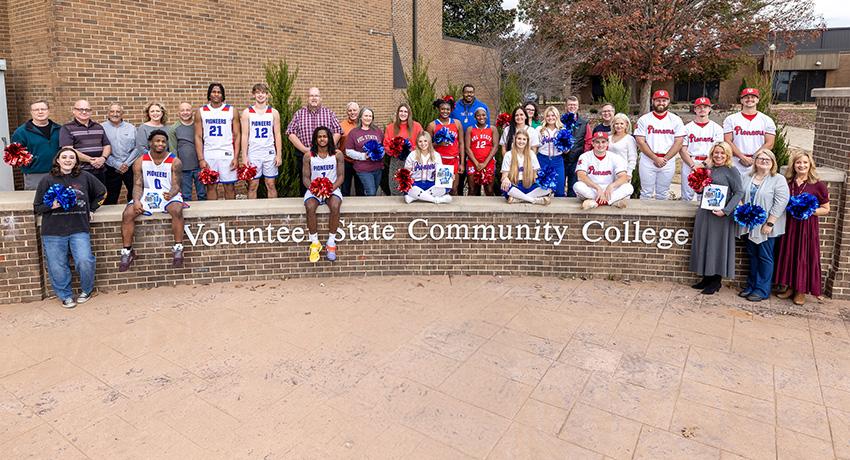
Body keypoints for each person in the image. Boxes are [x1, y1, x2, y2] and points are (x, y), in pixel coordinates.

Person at [33, 147, 106, 308]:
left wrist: (92, 208)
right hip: (53, 230)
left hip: (79, 228)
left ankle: (86, 290)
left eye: (71, 158)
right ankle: (65, 296)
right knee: (57, 265)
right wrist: (51, 205)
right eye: (64, 157)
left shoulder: (85, 177)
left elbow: (102, 193)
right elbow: (37, 206)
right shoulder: (47, 180)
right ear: (57, 160)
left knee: (84, 261)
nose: (68, 160)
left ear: (76, 161)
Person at [119, 130, 186, 271]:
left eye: (163, 141)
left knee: (177, 210)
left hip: (167, 194)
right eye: (157, 141)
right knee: (127, 213)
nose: (160, 143)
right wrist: (136, 200)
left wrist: (171, 193)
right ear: (150, 143)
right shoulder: (140, 161)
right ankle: (127, 251)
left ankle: (178, 248)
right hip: (148, 194)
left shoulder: (175, 161)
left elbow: (176, 185)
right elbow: (137, 184)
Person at [774, 151, 830, 306]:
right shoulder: (788, 182)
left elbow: (826, 209)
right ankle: (790, 288)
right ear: (794, 165)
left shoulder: (818, 185)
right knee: (790, 254)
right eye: (798, 163)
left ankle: (801, 291)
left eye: (805, 162)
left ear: (810, 164)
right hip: (790, 224)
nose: (802, 165)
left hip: (807, 227)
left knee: (803, 256)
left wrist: (808, 210)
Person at [689, 142, 745, 295]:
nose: (719, 156)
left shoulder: (731, 170)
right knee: (704, 243)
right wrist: (699, 188)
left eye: (722, 153)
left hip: (720, 215)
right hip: (705, 212)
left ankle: (715, 282)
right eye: (716, 153)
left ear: (727, 155)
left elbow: (739, 192)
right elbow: (702, 189)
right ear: (711, 154)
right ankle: (706, 278)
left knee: (717, 246)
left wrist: (726, 211)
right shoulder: (708, 169)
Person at [737, 149, 789, 302]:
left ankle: (762, 289)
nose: (763, 161)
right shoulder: (746, 176)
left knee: (764, 256)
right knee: (752, 256)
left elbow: (781, 203)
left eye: (767, 159)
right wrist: (742, 211)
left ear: (773, 162)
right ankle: (751, 285)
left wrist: (770, 223)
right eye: (760, 158)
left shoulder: (778, 179)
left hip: (766, 226)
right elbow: (739, 194)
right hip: (749, 224)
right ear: (755, 161)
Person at [287, 87, 343, 194]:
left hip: (326, 157)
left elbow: (338, 131)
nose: (314, 98)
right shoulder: (299, 114)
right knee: (305, 183)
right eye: (311, 96)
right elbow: (290, 133)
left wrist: (329, 147)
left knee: (328, 180)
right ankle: (308, 201)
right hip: (305, 155)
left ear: (320, 98)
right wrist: (304, 149)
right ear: (307, 98)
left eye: (316, 96)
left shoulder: (329, 113)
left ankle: (328, 198)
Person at [303, 126, 345, 262]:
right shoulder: (308, 155)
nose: (322, 139)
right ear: (315, 139)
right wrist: (314, 189)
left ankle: (331, 243)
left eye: (325, 136)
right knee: (309, 207)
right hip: (314, 189)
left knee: (335, 205)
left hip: (332, 188)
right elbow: (305, 178)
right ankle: (315, 243)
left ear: (329, 138)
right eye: (319, 136)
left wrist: (330, 189)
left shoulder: (337, 154)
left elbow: (341, 176)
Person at [634, 90, 685, 200]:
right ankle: (644, 217)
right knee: (646, 193)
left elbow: (679, 142)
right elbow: (640, 141)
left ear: (668, 101)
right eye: (658, 100)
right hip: (648, 160)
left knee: (663, 193)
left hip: (668, 160)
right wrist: (655, 158)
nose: (661, 103)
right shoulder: (644, 119)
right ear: (653, 101)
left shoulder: (675, 120)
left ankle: (661, 217)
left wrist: (665, 159)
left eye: (664, 100)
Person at [195, 83, 240, 200]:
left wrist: (236, 157)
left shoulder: (231, 110)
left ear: (222, 95)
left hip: (227, 153)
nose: (216, 94)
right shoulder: (201, 111)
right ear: (209, 94)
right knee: (211, 186)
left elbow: (237, 135)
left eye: (219, 92)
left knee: (229, 186)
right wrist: (201, 158)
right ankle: (213, 216)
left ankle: (231, 216)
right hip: (209, 153)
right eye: (213, 92)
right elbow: (198, 136)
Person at [241, 83, 282, 199]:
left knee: (271, 184)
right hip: (254, 153)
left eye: (263, 92)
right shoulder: (247, 113)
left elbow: (277, 134)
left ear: (267, 95)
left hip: (269, 153)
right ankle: (251, 213)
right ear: (254, 95)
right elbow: (244, 135)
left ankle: (273, 213)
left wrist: (279, 155)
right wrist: (244, 156)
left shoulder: (274, 112)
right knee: (253, 185)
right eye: (258, 92)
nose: (260, 95)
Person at [724, 88, 776, 176]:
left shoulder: (767, 120)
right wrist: (742, 157)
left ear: (758, 100)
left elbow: (770, 143)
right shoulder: (731, 119)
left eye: (753, 97)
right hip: (736, 161)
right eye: (746, 97)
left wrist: (754, 157)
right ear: (741, 100)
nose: (750, 99)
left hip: (758, 161)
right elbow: (727, 141)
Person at [574, 132, 633, 209]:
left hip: (609, 191)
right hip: (592, 189)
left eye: (603, 142)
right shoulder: (585, 156)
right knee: (577, 186)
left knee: (628, 187)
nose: (600, 145)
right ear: (592, 143)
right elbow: (581, 176)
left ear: (608, 143)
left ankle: (595, 202)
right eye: (597, 142)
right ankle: (612, 202)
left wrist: (611, 186)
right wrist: (597, 187)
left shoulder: (615, 157)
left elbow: (623, 177)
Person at [59, 100, 112, 185]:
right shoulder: (66, 128)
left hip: (100, 171)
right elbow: (68, 149)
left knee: (100, 196)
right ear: (74, 111)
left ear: (91, 112)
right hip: (79, 172)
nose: (84, 112)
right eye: (80, 109)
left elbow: (107, 145)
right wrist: (91, 160)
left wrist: (103, 158)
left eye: (87, 110)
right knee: (82, 197)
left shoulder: (98, 127)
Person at [680, 97, 724, 201]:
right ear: (694, 109)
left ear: (709, 109)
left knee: (708, 196)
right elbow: (682, 149)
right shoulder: (687, 128)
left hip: (710, 162)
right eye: (699, 107)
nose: (702, 109)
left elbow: (717, 150)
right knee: (687, 195)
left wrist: (703, 165)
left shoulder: (717, 128)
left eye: (705, 107)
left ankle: (703, 217)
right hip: (690, 162)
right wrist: (692, 165)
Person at [12, 100, 62, 190]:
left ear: (48, 111)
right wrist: (32, 160)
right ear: (31, 112)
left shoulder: (59, 129)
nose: (40, 112)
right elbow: (14, 155)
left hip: (59, 173)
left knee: (61, 201)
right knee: (37, 202)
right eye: (36, 110)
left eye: (43, 109)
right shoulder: (21, 132)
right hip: (34, 175)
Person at [452, 85, 490, 195]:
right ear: (462, 93)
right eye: (467, 92)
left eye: (471, 92)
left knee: (474, 181)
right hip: (459, 145)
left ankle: (475, 202)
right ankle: (458, 198)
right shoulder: (455, 106)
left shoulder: (482, 106)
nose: (469, 94)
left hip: (475, 147)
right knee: (460, 175)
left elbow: (486, 126)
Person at [500, 129, 551, 205]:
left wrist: (543, 180)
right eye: (519, 138)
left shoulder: (531, 154)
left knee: (549, 188)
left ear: (527, 141)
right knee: (505, 188)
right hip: (515, 185)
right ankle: (534, 200)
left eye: (524, 139)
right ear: (515, 140)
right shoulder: (508, 155)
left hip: (529, 184)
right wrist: (505, 179)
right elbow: (504, 176)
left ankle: (519, 199)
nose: (521, 141)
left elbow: (536, 173)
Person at [168, 102, 206, 201]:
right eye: (182, 110)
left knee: (202, 194)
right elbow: (173, 149)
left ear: (192, 112)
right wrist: (177, 168)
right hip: (184, 168)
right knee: (186, 195)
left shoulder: (198, 126)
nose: (185, 112)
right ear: (178, 113)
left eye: (188, 110)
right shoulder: (173, 128)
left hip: (199, 166)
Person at [427, 98, 465, 195]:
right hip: (440, 161)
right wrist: (438, 144)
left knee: (453, 189)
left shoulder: (457, 123)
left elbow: (461, 143)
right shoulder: (432, 125)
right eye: (443, 109)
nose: (445, 111)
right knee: (441, 189)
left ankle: (454, 210)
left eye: (447, 109)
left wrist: (462, 163)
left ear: (451, 110)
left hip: (454, 160)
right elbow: (426, 145)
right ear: (439, 110)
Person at [383, 103, 422, 196]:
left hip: (412, 161)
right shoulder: (390, 127)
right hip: (396, 161)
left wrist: (410, 150)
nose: (403, 113)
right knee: (395, 186)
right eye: (401, 111)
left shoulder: (416, 126)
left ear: (409, 113)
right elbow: (386, 144)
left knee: (412, 187)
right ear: (397, 113)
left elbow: (422, 142)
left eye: (405, 111)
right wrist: (395, 151)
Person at [102, 104, 137, 205]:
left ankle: (133, 214)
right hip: (110, 167)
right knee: (110, 196)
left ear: (122, 114)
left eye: (118, 112)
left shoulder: (131, 128)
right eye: (112, 111)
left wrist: (126, 163)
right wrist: (117, 164)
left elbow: (137, 148)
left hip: (129, 167)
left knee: (133, 193)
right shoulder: (101, 128)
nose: (115, 114)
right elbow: (101, 148)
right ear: (108, 113)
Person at [343, 107, 384, 196]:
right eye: (366, 115)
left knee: (374, 191)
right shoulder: (354, 132)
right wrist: (363, 156)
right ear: (361, 117)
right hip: (363, 169)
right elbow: (348, 151)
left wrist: (381, 153)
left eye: (370, 116)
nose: (368, 118)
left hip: (377, 168)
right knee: (371, 192)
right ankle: (371, 209)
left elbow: (383, 146)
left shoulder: (377, 131)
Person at [404, 131, 452, 204]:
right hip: (416, 184)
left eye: (425, 141)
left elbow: (441, 174)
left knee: (445, 187)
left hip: (430, 184)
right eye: (420, 141)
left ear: (429, 141)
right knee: (409, 187)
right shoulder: (412, 155)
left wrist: (449, 176)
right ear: (417, 142)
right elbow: (405, 174)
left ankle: (414, 197)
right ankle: (437, 200)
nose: (423, 144)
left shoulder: (436, 155)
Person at [465, 107, 498, 196]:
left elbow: (495, 147)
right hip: (473, 162)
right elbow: (467, 148)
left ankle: (490, 209)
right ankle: (470, 209)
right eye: (478, 115)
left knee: (489, 189)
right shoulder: (470, 129)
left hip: (488, 162)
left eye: (483, 115)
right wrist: (476, 163)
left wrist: (485, 163)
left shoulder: (492, 129)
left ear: (486, 116)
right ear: (475, 117)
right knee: (472, 189)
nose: (481, 117)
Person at [536, 106, 567, 197]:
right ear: (545, 117)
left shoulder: (562, 130)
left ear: (557, 116)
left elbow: (566, 151)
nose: (550, 118)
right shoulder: (539, 129)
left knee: (559, 189)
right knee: (541, 188)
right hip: (542, 159)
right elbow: (535, 148)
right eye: (548, 116)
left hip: (557, 160)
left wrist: (564, 144)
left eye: (553, 115)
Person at [564, 96, 589, 197]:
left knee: (573, 188)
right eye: (570, 105)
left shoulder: (584, 123)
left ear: (578, 107)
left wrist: (583, 157)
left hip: (576, 160)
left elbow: (588, 141)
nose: (572, 107)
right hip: (562, 159)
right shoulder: (560, 121)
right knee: (559, 186)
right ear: (566, 106)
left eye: (574, 105)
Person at [339, 101, 364, 196]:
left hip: (360, 161)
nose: (352, 112)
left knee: (360, 189)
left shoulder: (364, 124)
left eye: (355, 110)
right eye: (350, 110)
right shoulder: (341, 126)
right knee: (345, 188)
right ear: (347, 112)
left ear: (359, 111)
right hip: (346, 161)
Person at [608, 113, 637, 177]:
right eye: (616, 124)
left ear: (626, 125)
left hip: (623, 172)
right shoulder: (608, 138)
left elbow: (632, 158)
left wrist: (629, 173)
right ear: (613, 125)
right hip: (608, 171)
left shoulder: (629, 139)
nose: (619, 126)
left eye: (621, 123)